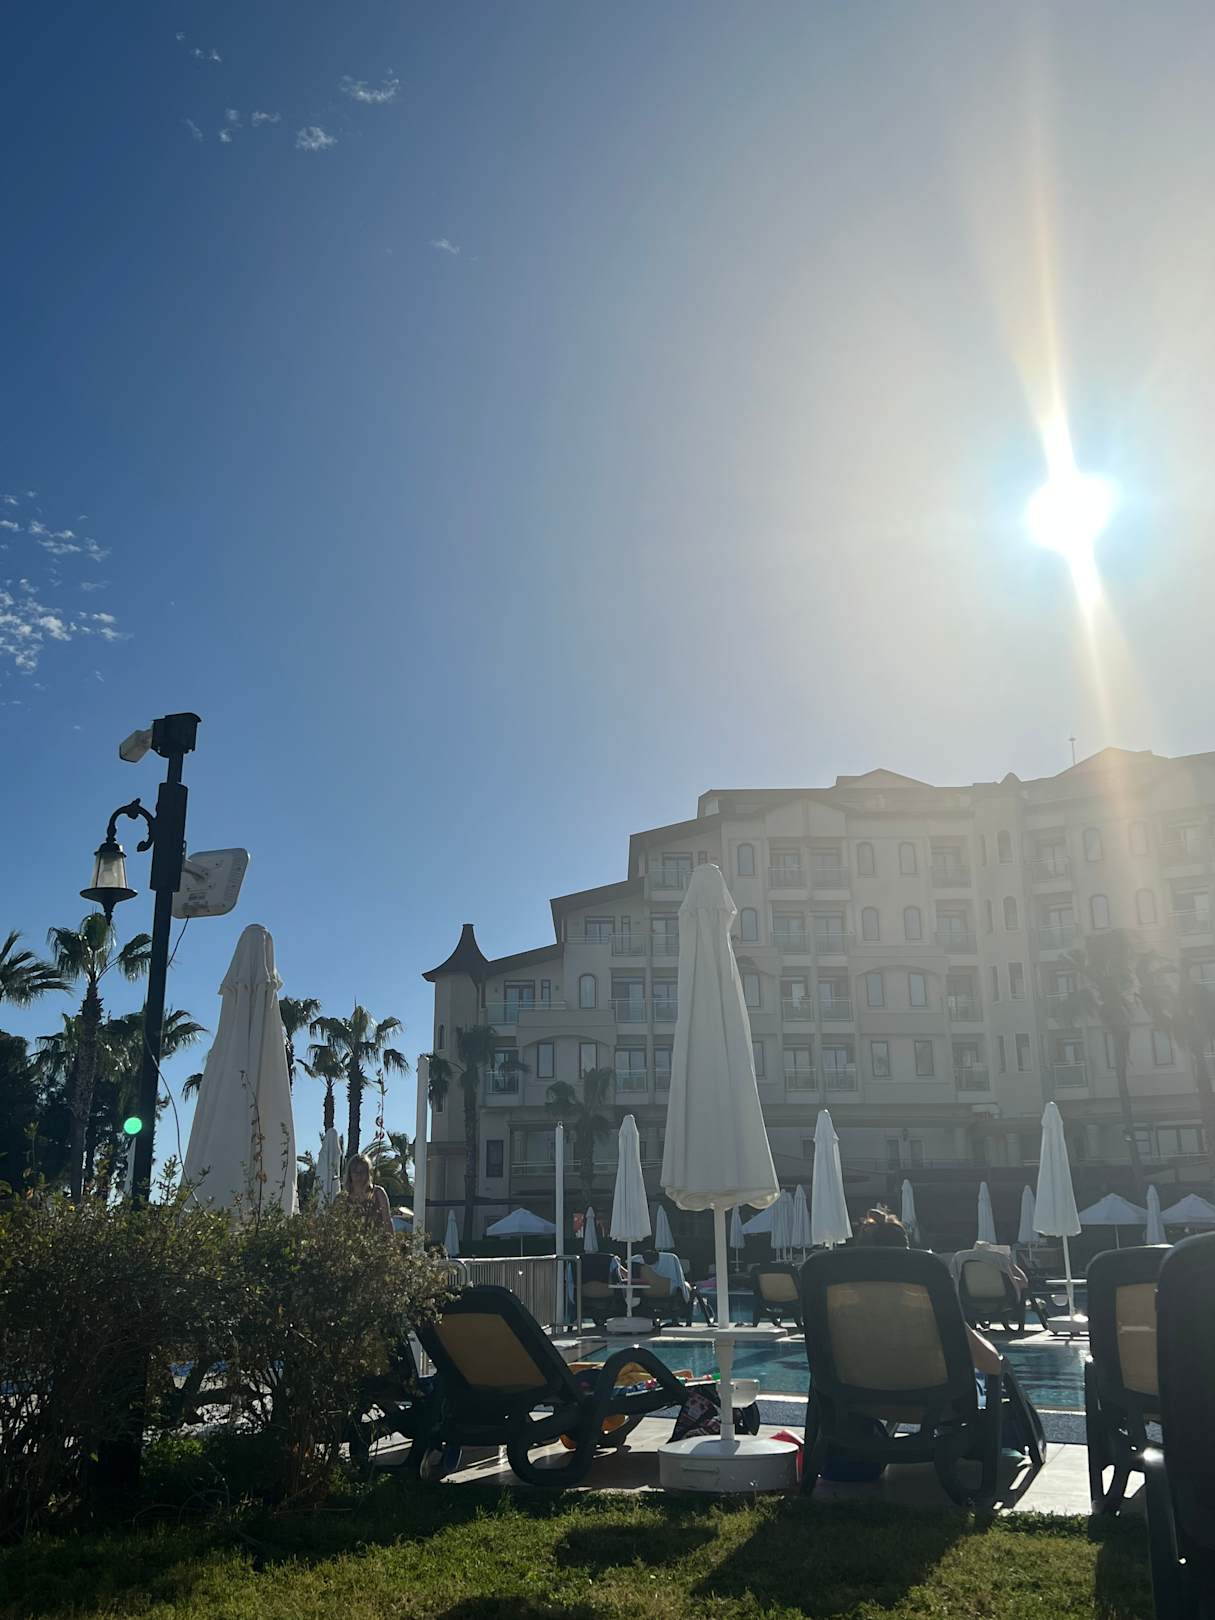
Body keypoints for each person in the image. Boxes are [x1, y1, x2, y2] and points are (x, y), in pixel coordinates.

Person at [853, 1207, 1003, 1374]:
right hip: (924, 1389)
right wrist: (977, 1336)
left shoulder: (839, 1313)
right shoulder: (930, 1308)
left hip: (856, 1390)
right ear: (908, 1259)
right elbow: (991, 1364)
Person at [343, 1152, 394, 1234]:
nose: (359, 1175)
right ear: (350, 1174)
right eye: (355, 1171)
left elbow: (387, 1221)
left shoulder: (378, 1193)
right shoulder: (342, 1198)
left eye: (362, 1171)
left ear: (368, 1173)